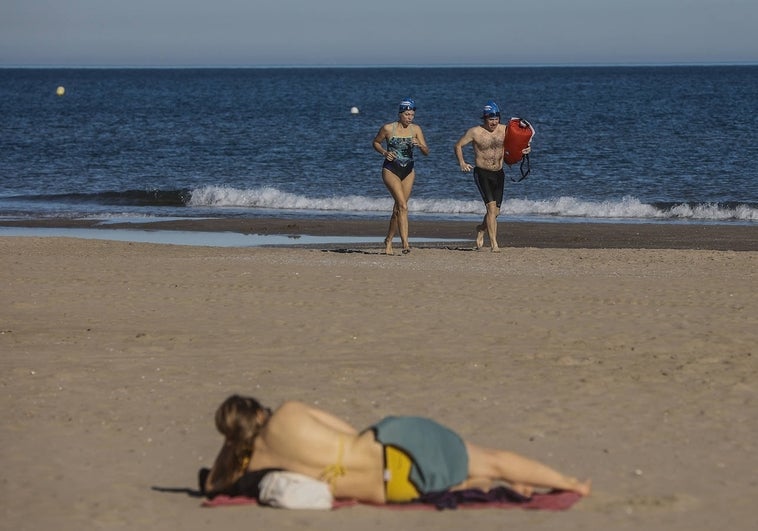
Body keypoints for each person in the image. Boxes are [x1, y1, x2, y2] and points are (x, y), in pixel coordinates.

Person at [204, 395, 591, 504]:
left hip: (395, 489)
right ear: (257, 411)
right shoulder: (288, 412)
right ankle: (569, 481)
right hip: (397, 445)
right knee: (491, 458)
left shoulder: (248, 465)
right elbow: (354, 432)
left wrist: (232, 449)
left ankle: (490, 484)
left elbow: (212, 485)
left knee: (462, 474)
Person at [454, 100, 530, 252]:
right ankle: (494, 244)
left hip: (499, 173)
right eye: (490, 119)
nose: (494, 122)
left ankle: (481, 229)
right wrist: (462, 162)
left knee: (496, 212)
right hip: (482, 173)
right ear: (485, 119)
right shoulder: (475, 132)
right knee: (490, 208)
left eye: (496, 119)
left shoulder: (504, 130)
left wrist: (526, 149)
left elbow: (519, 143)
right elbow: (458, 145)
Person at [372, 98, 429, 255]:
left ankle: (389, 240)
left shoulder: (416, 129)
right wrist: (384, 152)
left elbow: (426, 152)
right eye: (407, 114)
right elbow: (375, 142)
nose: (410, 117)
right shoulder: (388, 128)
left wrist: (420, 145)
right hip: (390, 169)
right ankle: (405, 243)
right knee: (403, 206)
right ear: (400, 114)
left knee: (398, 209)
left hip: (409, 171)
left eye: (412, 114)